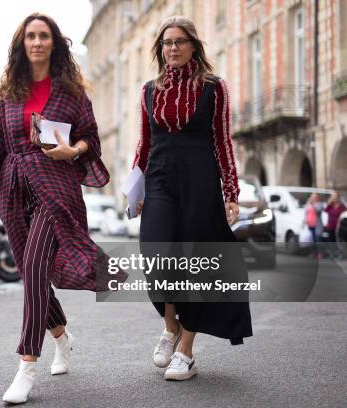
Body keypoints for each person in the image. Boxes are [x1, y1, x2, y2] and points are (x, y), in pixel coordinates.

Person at [0, 13, 114, 404]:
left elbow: (90, 138)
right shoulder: (7, 93)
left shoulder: (71, 92)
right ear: (22, 43)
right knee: (34, 272)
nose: (36, 42)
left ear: (54, 43)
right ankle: (63, 338)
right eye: (30, 36)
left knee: (32, 267)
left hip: (55, 184)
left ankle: (26, 366)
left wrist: (73, 150)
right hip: (14, 188)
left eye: (43, 35)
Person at [132, 16, 252, 381]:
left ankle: (186, 349)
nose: (173, 47)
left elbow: (222, 141)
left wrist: (231, 192)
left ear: (193, 46)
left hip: (200, 180)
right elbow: (144, 142)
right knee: (157, 253)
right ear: (160, 49)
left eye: (180, 41)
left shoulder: (213, 88)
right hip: (160, 179)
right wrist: (136, 187)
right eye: (167, 42)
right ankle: (170, 327)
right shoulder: (149, 90)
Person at [323, 191, 345, 258]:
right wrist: (329, 203)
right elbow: (325, 210)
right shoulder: (330, 206)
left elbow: (344, 215)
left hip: (338, 227)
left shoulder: (342, 206)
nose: (334, 198)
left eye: (335, 196)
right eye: (333, 197)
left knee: (338, 241)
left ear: (338, 197)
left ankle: (339, 254)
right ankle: (332, 254)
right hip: (330, 226)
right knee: (331, 240)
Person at [305, 193, 324, 258]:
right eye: (312, 197)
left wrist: (313, 205)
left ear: (318, 198)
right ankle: (313, 253)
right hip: (310, 224)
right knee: (312, 240)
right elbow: (306, 213)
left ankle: (320, 253)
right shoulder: (308, 204)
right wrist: (305, 220)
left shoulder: (320, 204)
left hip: (317, 225)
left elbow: (318, 211)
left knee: (318, 240)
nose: (314, 198)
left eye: (315, 197)